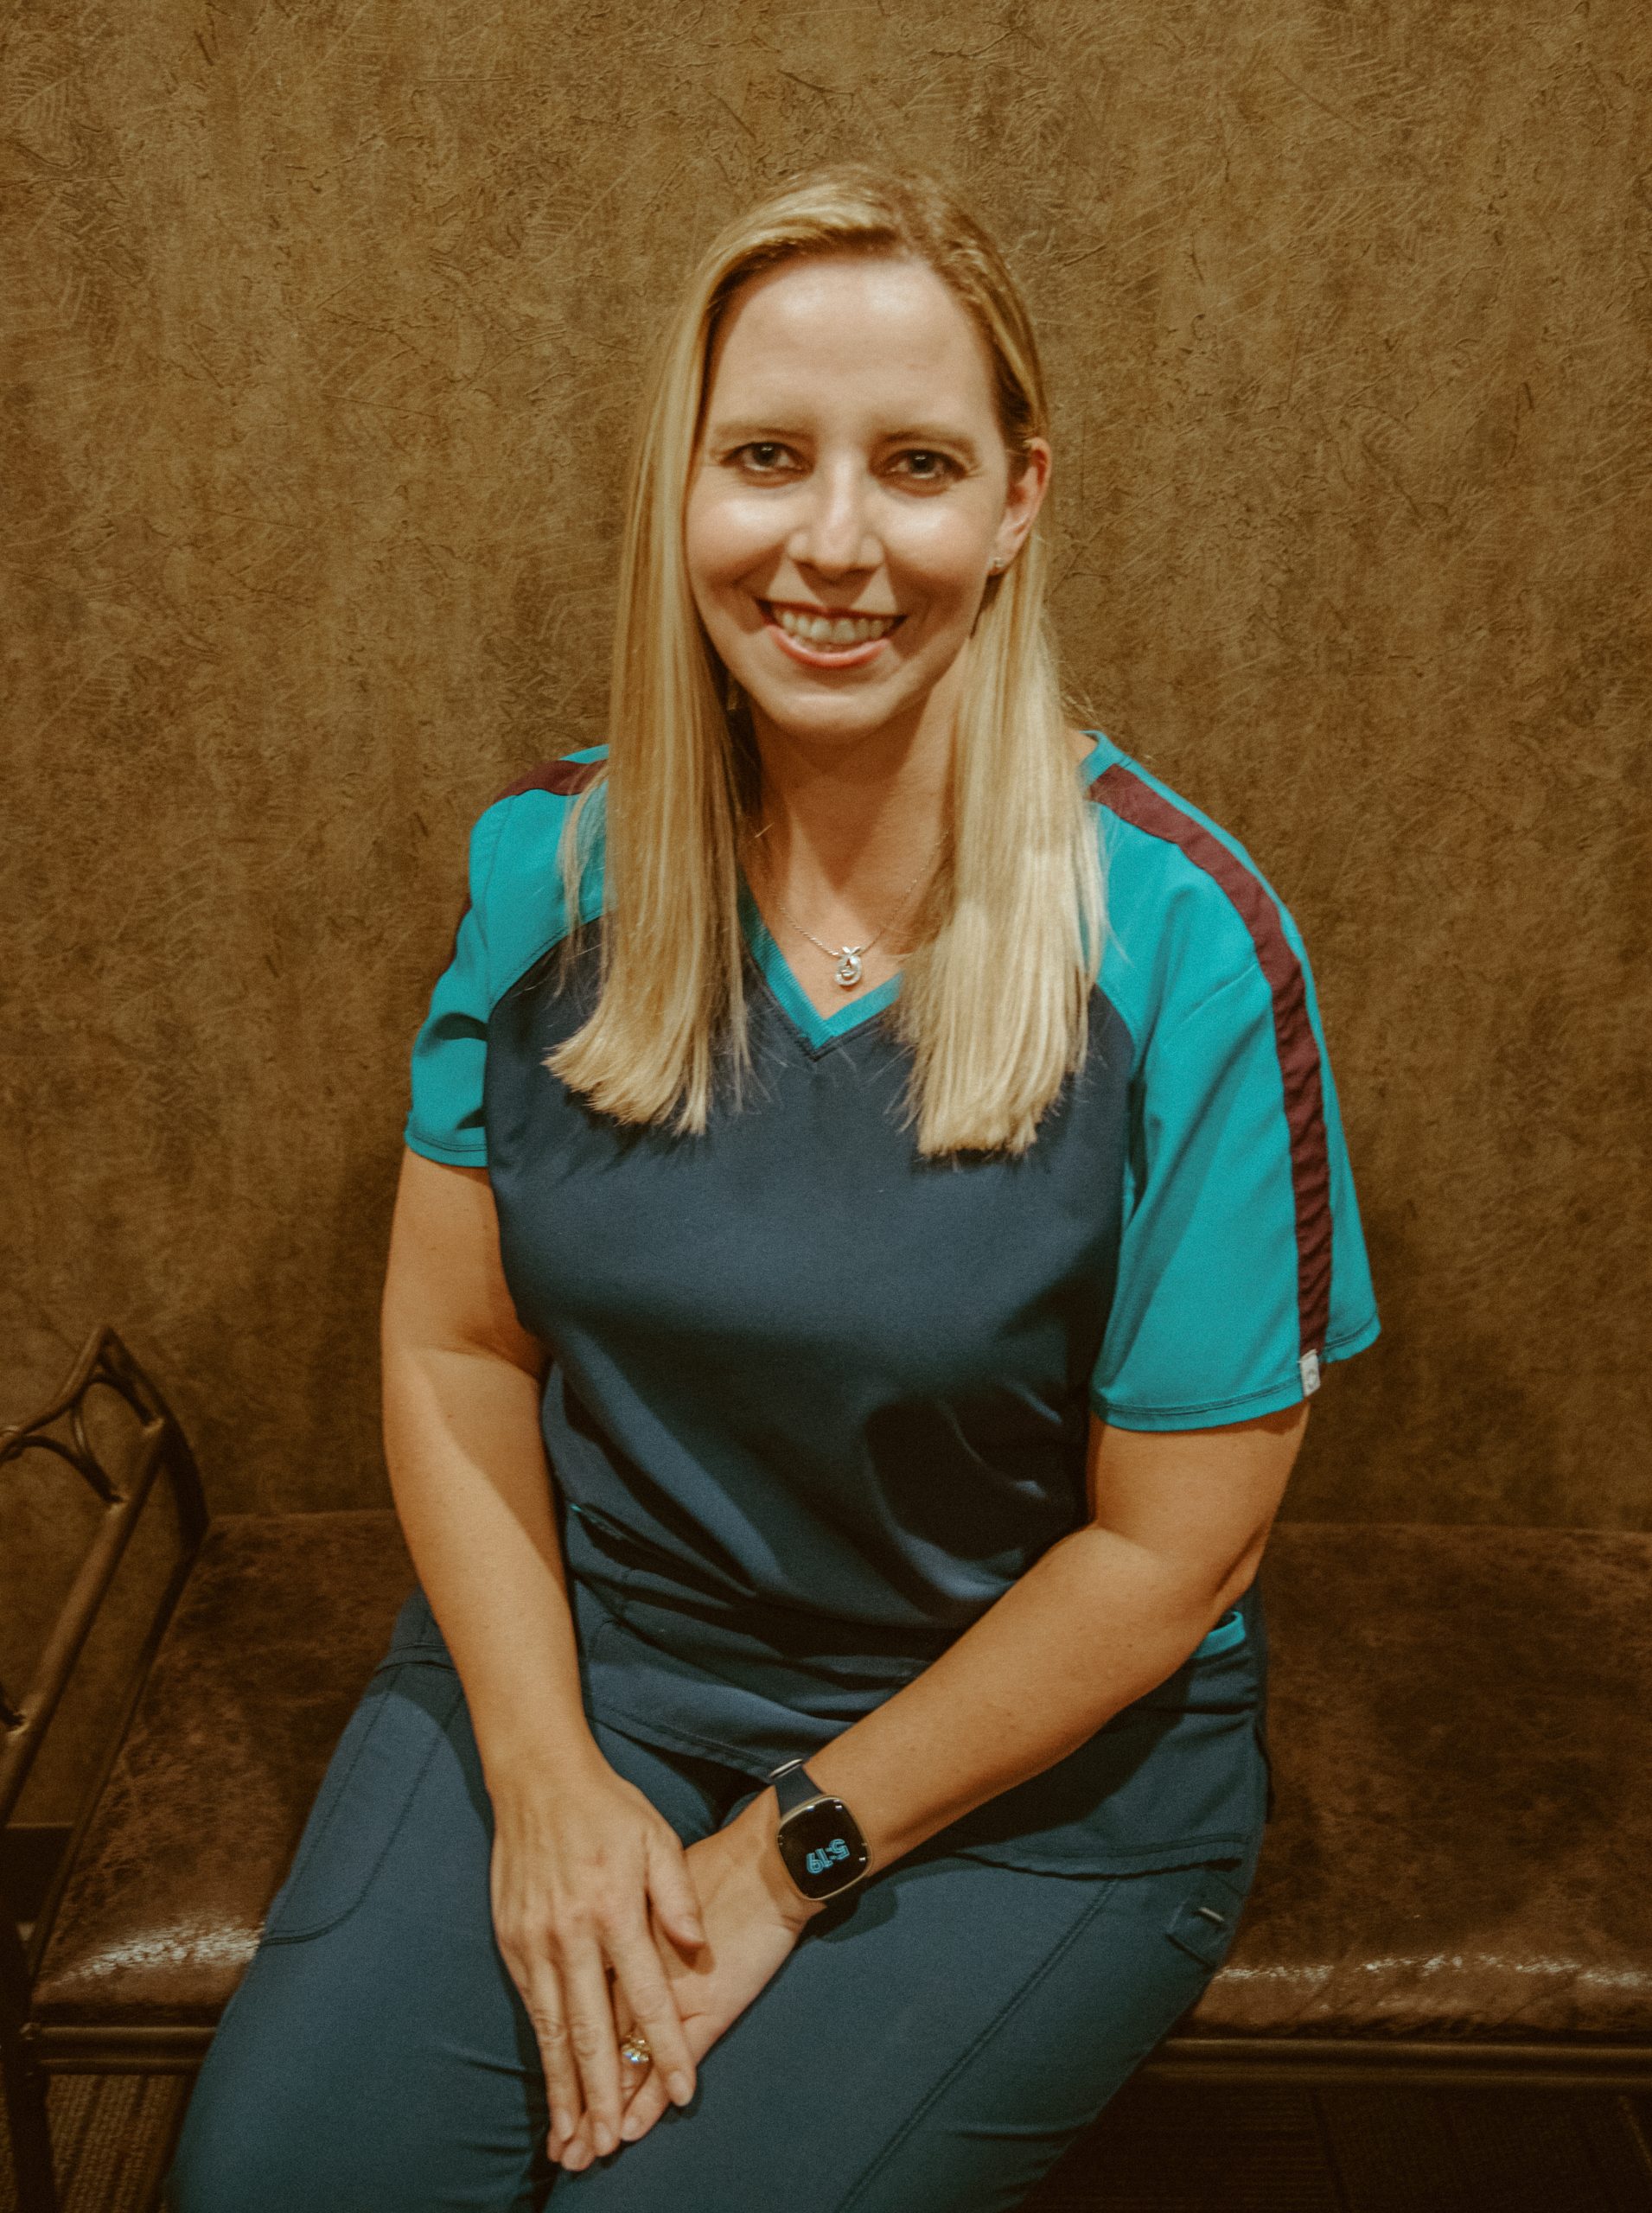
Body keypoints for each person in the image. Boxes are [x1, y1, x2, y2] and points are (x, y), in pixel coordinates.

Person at [165, 163, 1381, 2213]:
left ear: (1016, 500)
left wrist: (787, 1850)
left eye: (914, 463)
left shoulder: (1185, 944)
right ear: (680, 486)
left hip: (1025, 1787)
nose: (830, 541)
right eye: (762, 457)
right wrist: (544, 1775)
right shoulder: (544, 872)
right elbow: (455, 1345)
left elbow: (1170, 1553)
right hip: (597, 1677)